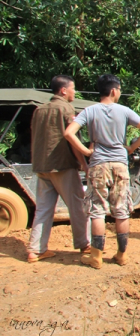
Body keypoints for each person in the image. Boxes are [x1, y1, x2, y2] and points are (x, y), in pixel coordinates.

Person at [64, 74, 140, 269]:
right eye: (119, 90)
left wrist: (86, 151)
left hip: (98, 165)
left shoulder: (89, 111)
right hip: (120, 164)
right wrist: (130, 148)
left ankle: (96, 257)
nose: (119, 93)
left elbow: (68, 133)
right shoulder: (124, 111)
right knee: (121, 211)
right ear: (114, 91)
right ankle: (122, 255)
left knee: (97, 211)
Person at [27, 75, 91, 263]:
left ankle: (35, 250)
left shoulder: (39, 110)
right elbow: (73, 141)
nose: (74, 92)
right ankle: (85, 243)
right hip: (62, 166)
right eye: (73, 88)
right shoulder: (66, 109)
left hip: (42, 166)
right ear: (63, 91)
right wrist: (84, 165)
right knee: (78, 206)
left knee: (43, 209)